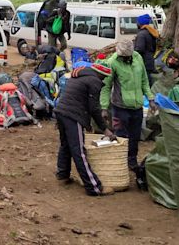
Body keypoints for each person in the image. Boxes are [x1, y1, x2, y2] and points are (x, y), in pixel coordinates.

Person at [55, 63, 115, 196]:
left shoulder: (79, 75)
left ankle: (63, 174)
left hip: (61, 111)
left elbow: (83, 101)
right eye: (104, 77)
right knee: (79, 151)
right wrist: (105, 129)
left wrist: (88, 125)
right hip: (72, 115)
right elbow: (94, 108)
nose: (104, 80)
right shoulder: (94, 81)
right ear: (100, 74)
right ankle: (94, 187)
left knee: (66, 145)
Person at [100, 41, 157, 174]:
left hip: (137, 106)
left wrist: (150, 98)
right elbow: (106, 87)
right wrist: (104, 107)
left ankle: (131, 160)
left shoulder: (137, 58)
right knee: (121, 136)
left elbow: (144, 80)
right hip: (120, 107)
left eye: (127, 56)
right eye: (122, 56)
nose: (125, 58)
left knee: (135, 136)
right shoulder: (112, 62)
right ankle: (119, 162)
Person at [133, 13, 158, 86]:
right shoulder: (150, 32)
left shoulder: (142, 34)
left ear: (140, 23)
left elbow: (139, 49)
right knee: (149, 81)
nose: (136, 24)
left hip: (144, 62)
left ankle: (147, 96)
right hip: (150, 60)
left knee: (145, 82)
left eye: (137, 22)